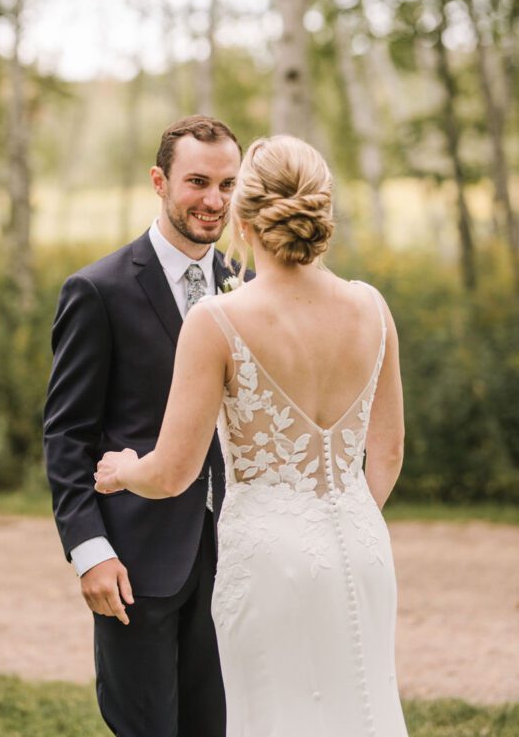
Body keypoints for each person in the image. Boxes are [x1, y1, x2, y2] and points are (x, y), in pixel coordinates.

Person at [96, 134, 409, 737]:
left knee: (272, 716)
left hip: (268, 559)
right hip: (362, 546)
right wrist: (338, 516)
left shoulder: (217, 318)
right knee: (360, 710)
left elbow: (173, 472)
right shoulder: (372, 307)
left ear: (243, 218)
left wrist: (121, 470)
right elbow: (388, 452)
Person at [43, 115, 253, 737]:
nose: (214, 200)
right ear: (159, 182)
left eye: (228, 184)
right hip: (135, 561)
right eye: (197, 182)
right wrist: (90, 552)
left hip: (236, 558)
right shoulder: (98, 290)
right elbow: (67, 435)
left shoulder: (248, 288)